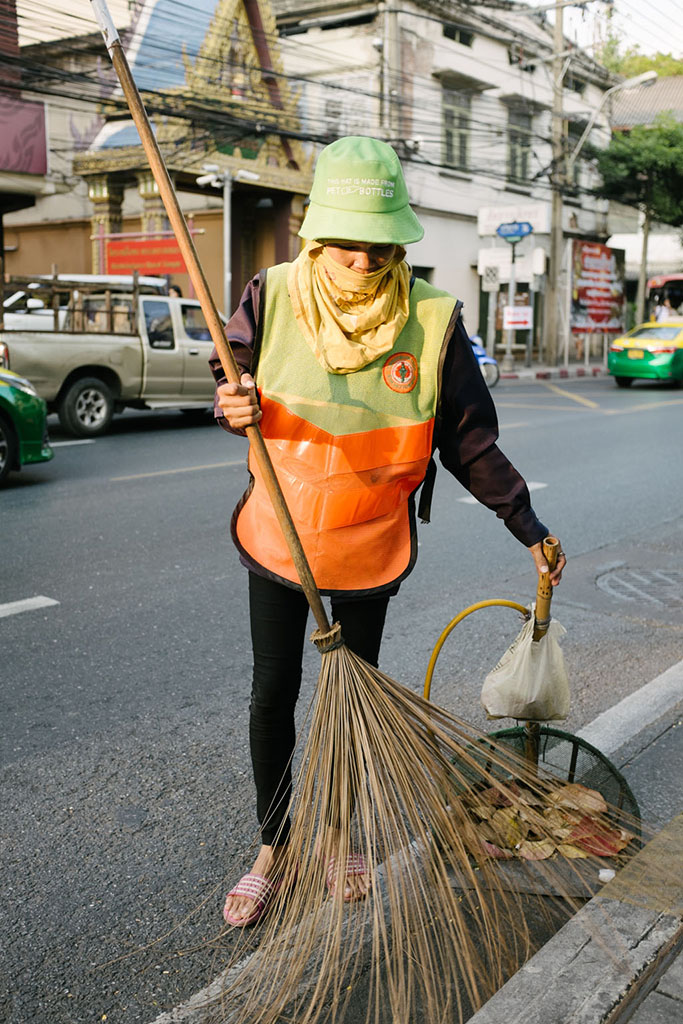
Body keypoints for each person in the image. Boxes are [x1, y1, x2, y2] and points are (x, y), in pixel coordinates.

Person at [210, 136, 566, 928]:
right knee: (273, 694)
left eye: (377, 242)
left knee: (348, 698)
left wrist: (526, 524)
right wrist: (230, 402)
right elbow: (232, 368)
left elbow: (467, 439)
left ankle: (335, 837)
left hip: (370, 540)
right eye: (345, 239)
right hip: (283, 533)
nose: (362, 258)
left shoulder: (433, 317)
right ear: (315, 230)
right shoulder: (271, 292)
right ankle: (274, 846)